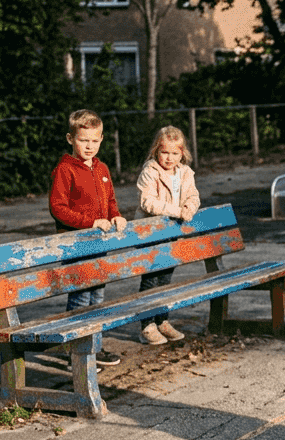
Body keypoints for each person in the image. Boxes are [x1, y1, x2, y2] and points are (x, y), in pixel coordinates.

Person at [49, 109, 126, 367]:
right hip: (76, 244)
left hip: (99, 243)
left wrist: (115, 216)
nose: (89, 146)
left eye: (94, 140)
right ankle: (77, 353)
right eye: (83, 140)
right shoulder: (65, 170)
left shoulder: (102, 168)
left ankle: (94, 347)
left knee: (98, 296)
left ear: (102, 139)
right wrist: (90, 223)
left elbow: (110, 201)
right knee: (81, 298)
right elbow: (58, 208)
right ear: (70, 138)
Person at [134, 126, 201, 345]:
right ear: (156, 151)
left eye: (175, 153)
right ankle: (147, 325)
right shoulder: (151, 171)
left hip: (172, 235)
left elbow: (192, 194)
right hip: (151, 235)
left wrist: (190, 207)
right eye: (165, 152)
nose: (169, 158)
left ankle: (162, 320)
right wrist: (177, 211)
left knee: (166, 279)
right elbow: (148, 201)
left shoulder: (184, 173)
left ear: (182, 153)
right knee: (151, 279)